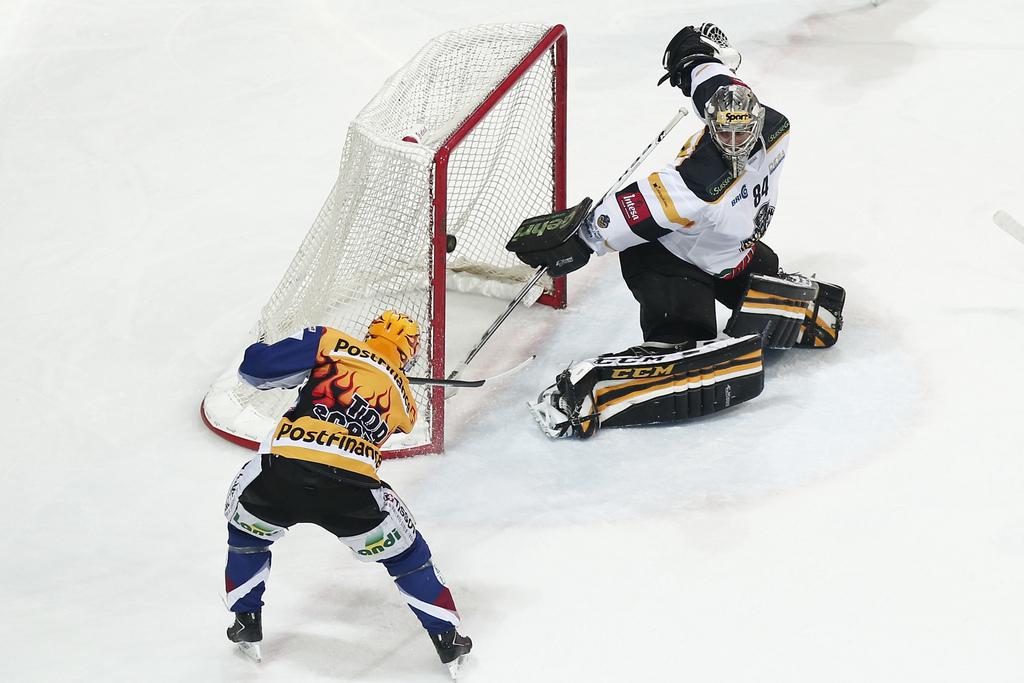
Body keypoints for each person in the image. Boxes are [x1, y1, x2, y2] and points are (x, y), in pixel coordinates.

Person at [510, 24, 845, 438]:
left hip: (731, 253)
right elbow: (632, 211)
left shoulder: (774, 128)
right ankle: (633, 368)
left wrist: (695, 60)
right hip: (671, 263)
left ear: (757, 117)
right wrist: (580, 239)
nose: (736, 141)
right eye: (726, 132)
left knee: (762, 264)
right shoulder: (695, 183)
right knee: (688, 330)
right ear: (712, 126)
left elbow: (716, 83)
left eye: (744, 130)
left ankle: (740, 295)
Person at [221, 311, 472, 677]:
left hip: (282, 471)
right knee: (409, 558)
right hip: (352, 489)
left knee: (245, 536)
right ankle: (448, 640)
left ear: (369, 332)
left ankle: (246, 621)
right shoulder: (406, 401)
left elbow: (256, 371)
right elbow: (398, 421)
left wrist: (262, 348)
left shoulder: (329, 341)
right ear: (410, 354)